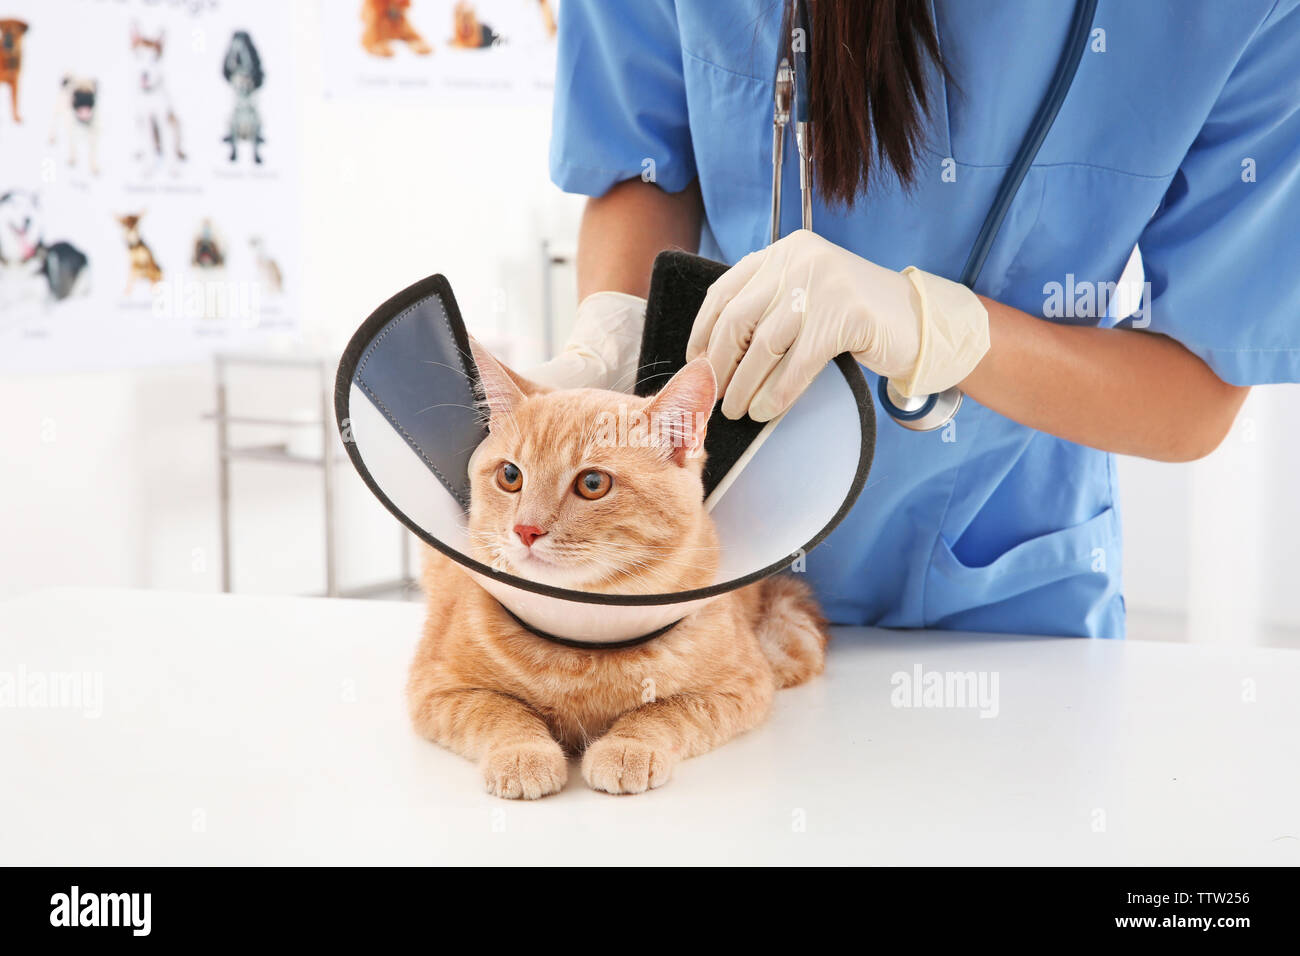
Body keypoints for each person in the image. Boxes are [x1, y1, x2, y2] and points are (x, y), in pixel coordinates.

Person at [532, 0, 1300, 638]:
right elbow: (643, 165)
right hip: (708, 566)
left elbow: (1194, 394)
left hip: (1004, 596)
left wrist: (936, 329)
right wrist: (615, 333)